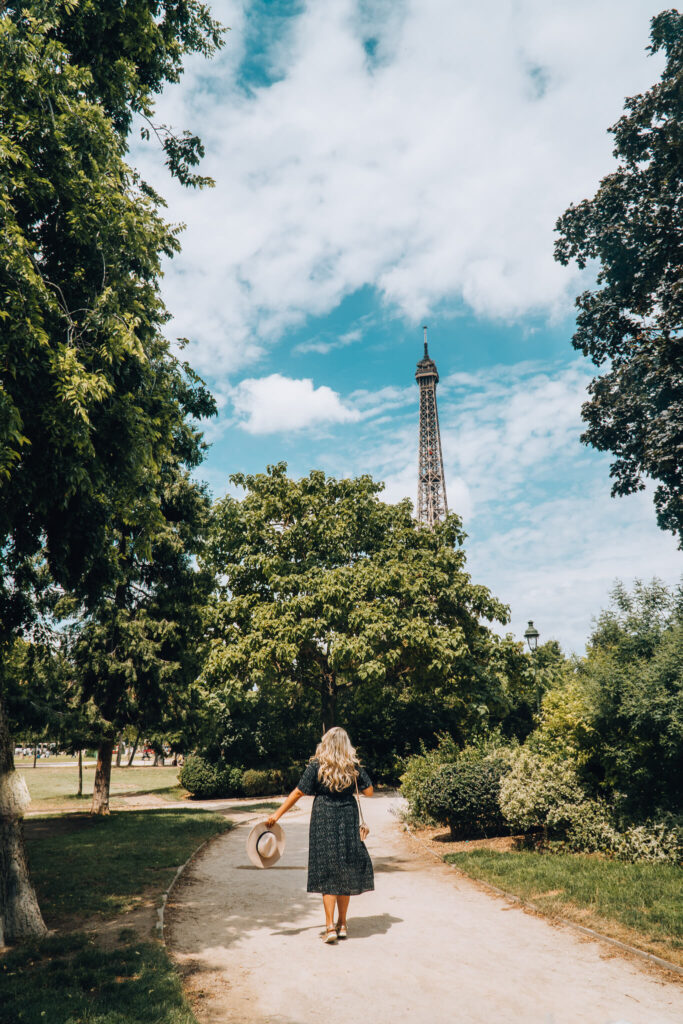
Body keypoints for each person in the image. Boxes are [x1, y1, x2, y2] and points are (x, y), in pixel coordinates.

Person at [265, 726, 374, 944]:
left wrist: (277, 815)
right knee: (345, 868)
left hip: (323, 818)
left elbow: (298, 792)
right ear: (346, 745)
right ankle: (343, 924)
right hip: (347, 816)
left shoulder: (316, 766)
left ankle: (329, 927)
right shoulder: (352, 766)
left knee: (327, 870)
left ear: (325, 743)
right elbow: (369, 791)